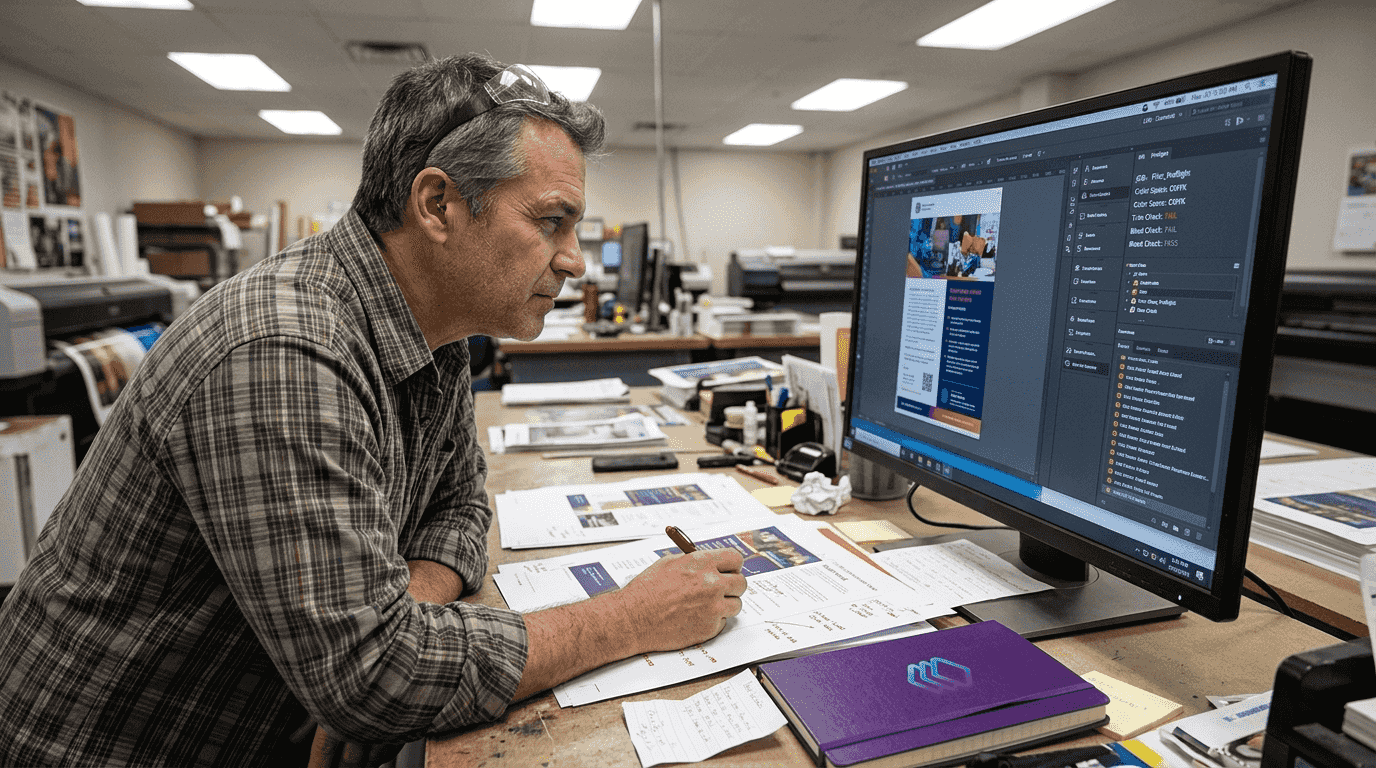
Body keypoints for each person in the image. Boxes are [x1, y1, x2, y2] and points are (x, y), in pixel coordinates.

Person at [0, 53, 747, 767]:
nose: (575, 258)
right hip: (112, 747)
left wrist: (401, 616)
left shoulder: (435, 323)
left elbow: (457, 506)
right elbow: (375, 679)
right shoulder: (283, 348)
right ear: (437, 205)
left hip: (270, 716)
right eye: (551, 221)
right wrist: (631, 618)